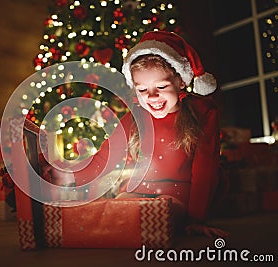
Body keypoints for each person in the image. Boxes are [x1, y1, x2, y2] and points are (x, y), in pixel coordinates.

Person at [43, 31, 229, 238]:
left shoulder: (202, 112)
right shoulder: (135, 117)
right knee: (115, 210)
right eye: (142, 90)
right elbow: (106, 155)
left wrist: (196, 218)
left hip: (180, 191)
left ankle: (148, 227)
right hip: (139, 190)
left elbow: (205, 167)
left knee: (160, 214)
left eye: (161, 86)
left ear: (181, 82)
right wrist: (70, 175)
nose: (152, 96)